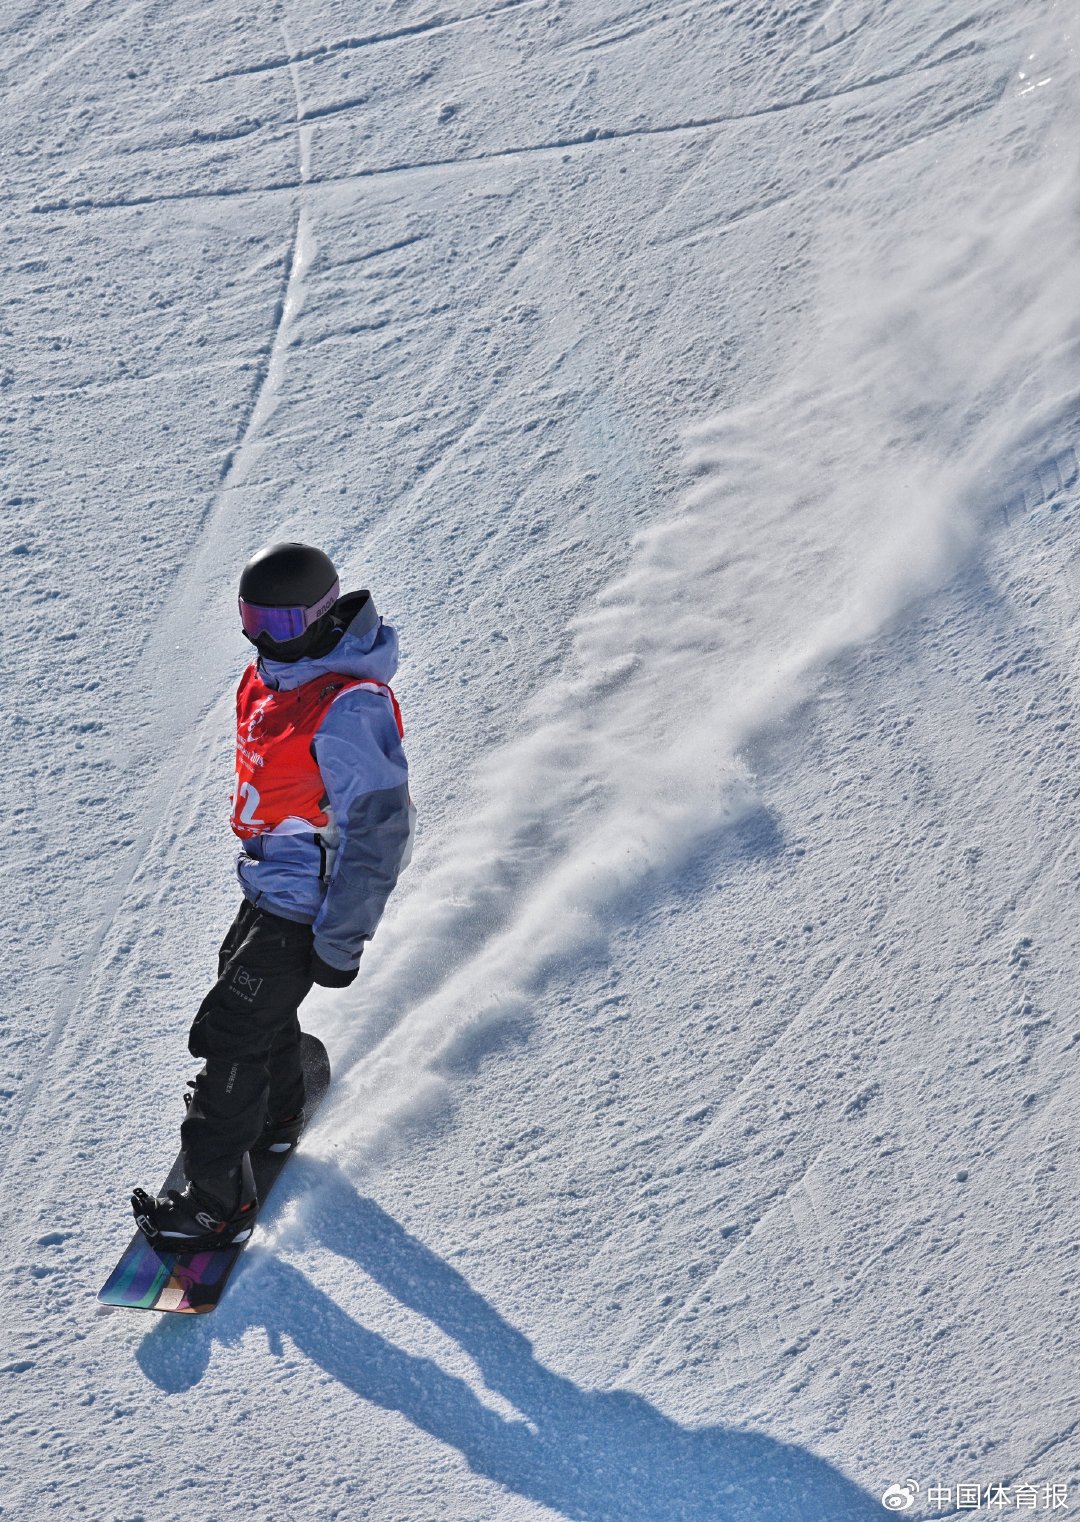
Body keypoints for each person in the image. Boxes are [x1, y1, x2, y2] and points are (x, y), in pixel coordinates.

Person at [132, 542, 413, 1249]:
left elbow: (378, 833)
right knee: (250, 1002)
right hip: (267, 880)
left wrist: (341, 938)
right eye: (251, 619)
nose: (263, 637)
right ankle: (278, 1112)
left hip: (307, 898)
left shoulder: (349, 708)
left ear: (321, 618)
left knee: (230, 1033)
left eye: (281, 625)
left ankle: (213, 1204)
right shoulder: (276, 678)